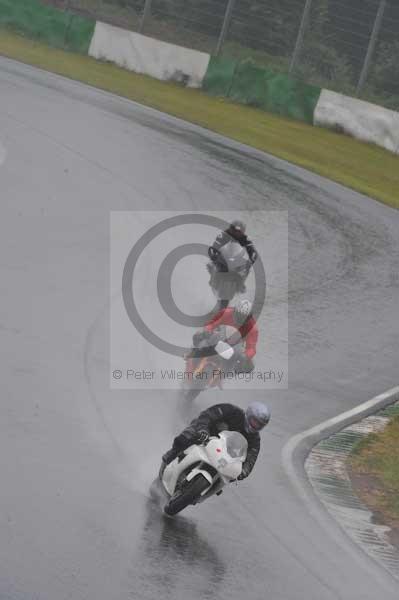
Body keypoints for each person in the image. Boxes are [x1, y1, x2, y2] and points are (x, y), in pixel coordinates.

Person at [160, 401, 271, 480]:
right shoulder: (231, 410)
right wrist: (203, 429)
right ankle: (169, 457)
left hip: (223, 456)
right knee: (187, 437)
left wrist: (243, 471)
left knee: (228, 477)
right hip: (206, 437)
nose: (255, 426)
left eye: (259, 424)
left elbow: (251, 458)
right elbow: (207, 415)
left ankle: (199, 492)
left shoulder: (255, 439)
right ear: (249, 414)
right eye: (254, 421)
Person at [192, 299, 258, 373]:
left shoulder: (252, 329)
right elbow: (211, 323)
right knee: (199, 337)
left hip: (235, 348)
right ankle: (191, 364)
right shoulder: (226, 313)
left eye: (244, 318)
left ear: (249, 318)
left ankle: (226, 374)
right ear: (234, 311)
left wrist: (245, 356)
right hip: (218, 338)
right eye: (239, 315)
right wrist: (207, 330)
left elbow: (251, 348)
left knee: (249, 366)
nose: (240, 319)